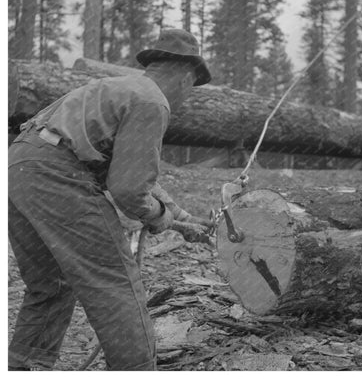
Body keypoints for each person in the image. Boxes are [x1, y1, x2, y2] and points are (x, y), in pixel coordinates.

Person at [8, 29, 212, 371]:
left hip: (18, 168)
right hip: (58, 177)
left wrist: (183, 218)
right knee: (115, 282)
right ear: (186, 75)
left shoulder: (118, 89)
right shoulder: (152, 101)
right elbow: (129, 191)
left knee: (52, 283)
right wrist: (159, 215)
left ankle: (23, 366)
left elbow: (136, 173)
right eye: (191, 87)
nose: (187, 96)